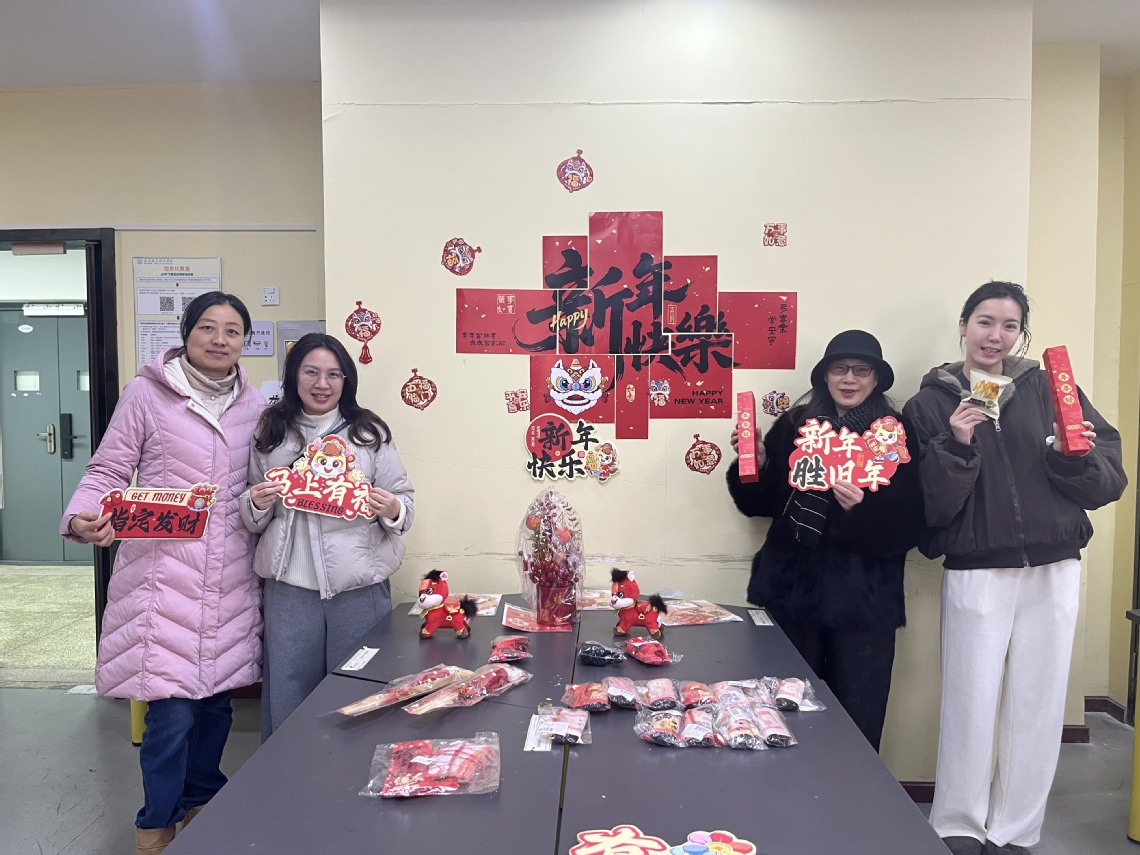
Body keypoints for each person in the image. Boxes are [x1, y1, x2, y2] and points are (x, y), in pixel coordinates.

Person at [903, 281, 1126, 855]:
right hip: (977, 566)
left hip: (1055, 564)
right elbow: (928, 507)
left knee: (1040, 701)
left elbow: (1109, 478)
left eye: (1009, 325)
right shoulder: (929, 403)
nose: (995, 336)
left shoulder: (1052, 388)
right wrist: (957, 444)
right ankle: (958, 823)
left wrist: (1070, 458)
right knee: (969, 697)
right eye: (984, 322)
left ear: (1020, 333)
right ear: (963, 325)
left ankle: (1016, 828)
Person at [61, 292, 265, 855]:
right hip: (161, 577)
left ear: (244, 341)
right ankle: (156, 823)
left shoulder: (255, 405)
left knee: (216, 708)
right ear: (186, 333)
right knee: (170, 713)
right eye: (207, 327)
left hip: (229, 578)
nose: (219, 339)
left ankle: (203, 804)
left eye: (232, 330)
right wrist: (81, 517)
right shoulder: (147, 393)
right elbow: (108, 467)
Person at [726, 330, 924, 752]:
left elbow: (911, 525)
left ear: (876, 378)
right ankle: (787, 793)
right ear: (825, 376)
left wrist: (861, 511)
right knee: (785, 716)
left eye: (861, 370)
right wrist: (757, 465)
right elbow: (759, 505)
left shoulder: (894, 434)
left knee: (858, 718)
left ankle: (854, 793)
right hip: (791, 595)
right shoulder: (795, 426)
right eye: (839, 369)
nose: (849, 379)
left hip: (864, 607)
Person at [242, 332, 414, 739]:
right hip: (288, 589)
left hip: (359, 587)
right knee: (288, 693)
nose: (322, 384)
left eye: (334, 374)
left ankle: (353, 776)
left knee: (358, 693)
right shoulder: (271, 430)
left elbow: (404, 503)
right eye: (311, 372)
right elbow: (251, 514)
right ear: (293, 376)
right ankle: (288, 773)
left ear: (346, 380)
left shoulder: (368, 433)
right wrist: (256, 503)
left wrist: (392, 508)